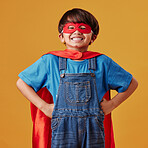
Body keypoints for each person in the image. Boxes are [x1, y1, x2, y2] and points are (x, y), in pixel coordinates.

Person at [16, 8, 138, 148]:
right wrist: (44, 107)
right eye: (70, 28)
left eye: (83, 27)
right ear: (61, 36)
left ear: (93, 37)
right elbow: (22, 83)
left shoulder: (103, 62)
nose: (77, 31)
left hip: (93, 126)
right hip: (62, 127)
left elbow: (131, 83)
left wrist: (112, 104)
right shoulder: (50, 61)